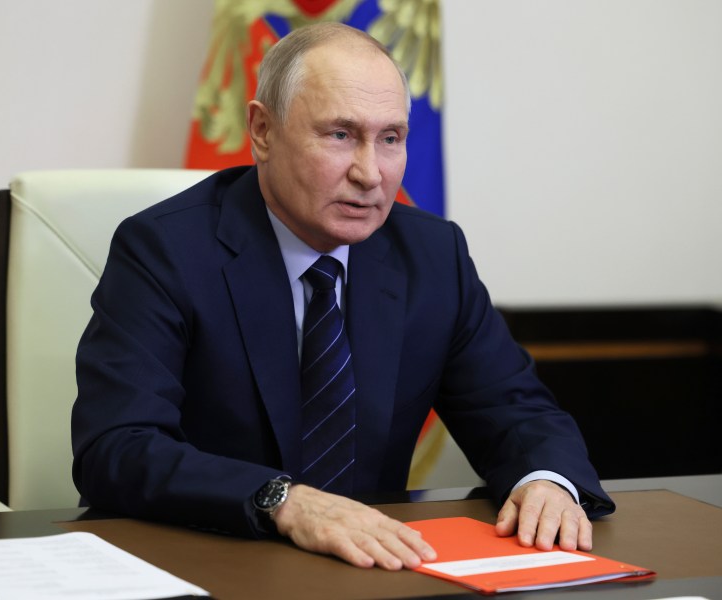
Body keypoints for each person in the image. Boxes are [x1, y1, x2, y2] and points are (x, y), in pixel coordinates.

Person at [72, 22, 615, 571]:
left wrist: (545, 481)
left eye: (391, 139)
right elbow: (117, 446)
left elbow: (514, 410)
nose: (370, 173)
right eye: (339, 135)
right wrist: (282, 500)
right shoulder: (165, 250)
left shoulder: (432, 255)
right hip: (205, 563)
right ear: (262, 130)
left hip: (370, 571)